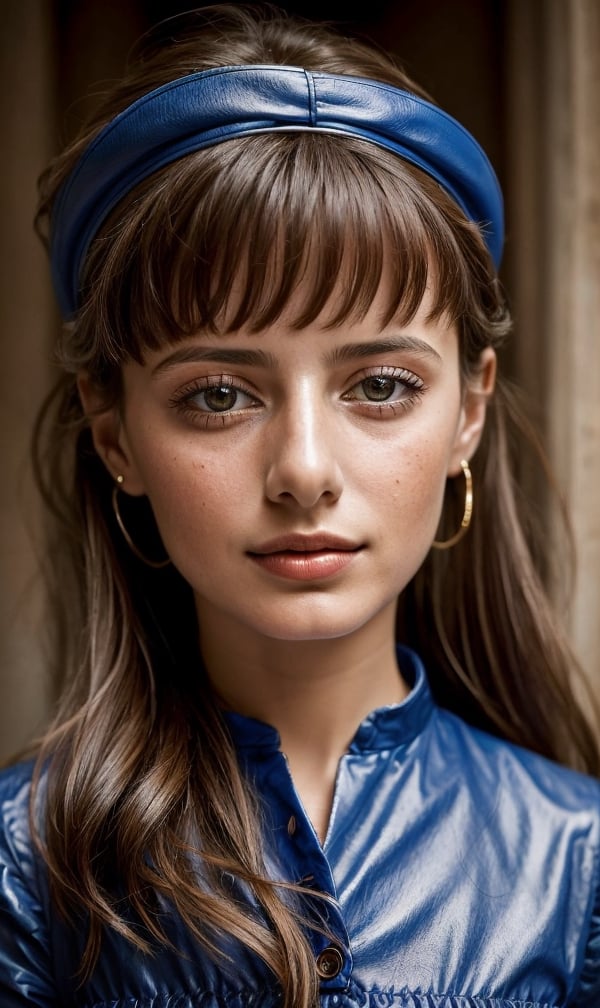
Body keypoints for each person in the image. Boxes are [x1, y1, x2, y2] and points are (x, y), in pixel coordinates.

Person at [1, 3, 599, 1005]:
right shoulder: (26, 869)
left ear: (469, 411)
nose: (305, 470)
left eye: (379, 386)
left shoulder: (577, 866)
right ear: (116, 436)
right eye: (219, 396)